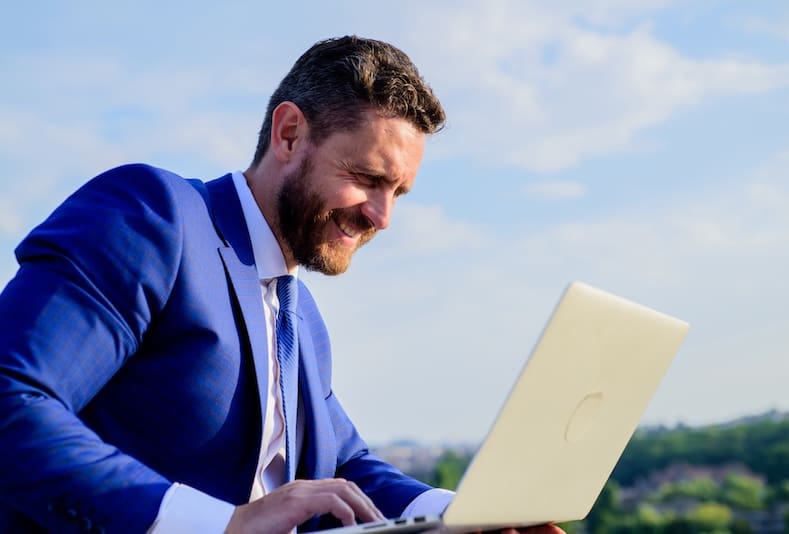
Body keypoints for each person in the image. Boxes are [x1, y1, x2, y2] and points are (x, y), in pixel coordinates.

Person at [0, 36, 564, 534]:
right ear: (290, 134)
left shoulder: (303, 320)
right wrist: (223, 526)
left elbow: (343, 467)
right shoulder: (157, 217)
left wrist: (467, 516)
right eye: (367, 178)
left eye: (399, 192)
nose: (382, 216)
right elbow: (13, 396)